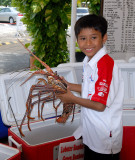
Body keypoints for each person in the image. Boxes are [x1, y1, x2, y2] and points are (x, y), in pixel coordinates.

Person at [56, 14, 124, 160]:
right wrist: (69, 85)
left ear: (104, 38)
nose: (88, 43)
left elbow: (100, 105)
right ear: (76, 40)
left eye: (93, 37)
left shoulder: (105, 66)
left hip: (104, 137)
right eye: (82, 38)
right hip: (92, 132)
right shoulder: (89, 61)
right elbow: (90, 89)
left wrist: (71, 99)